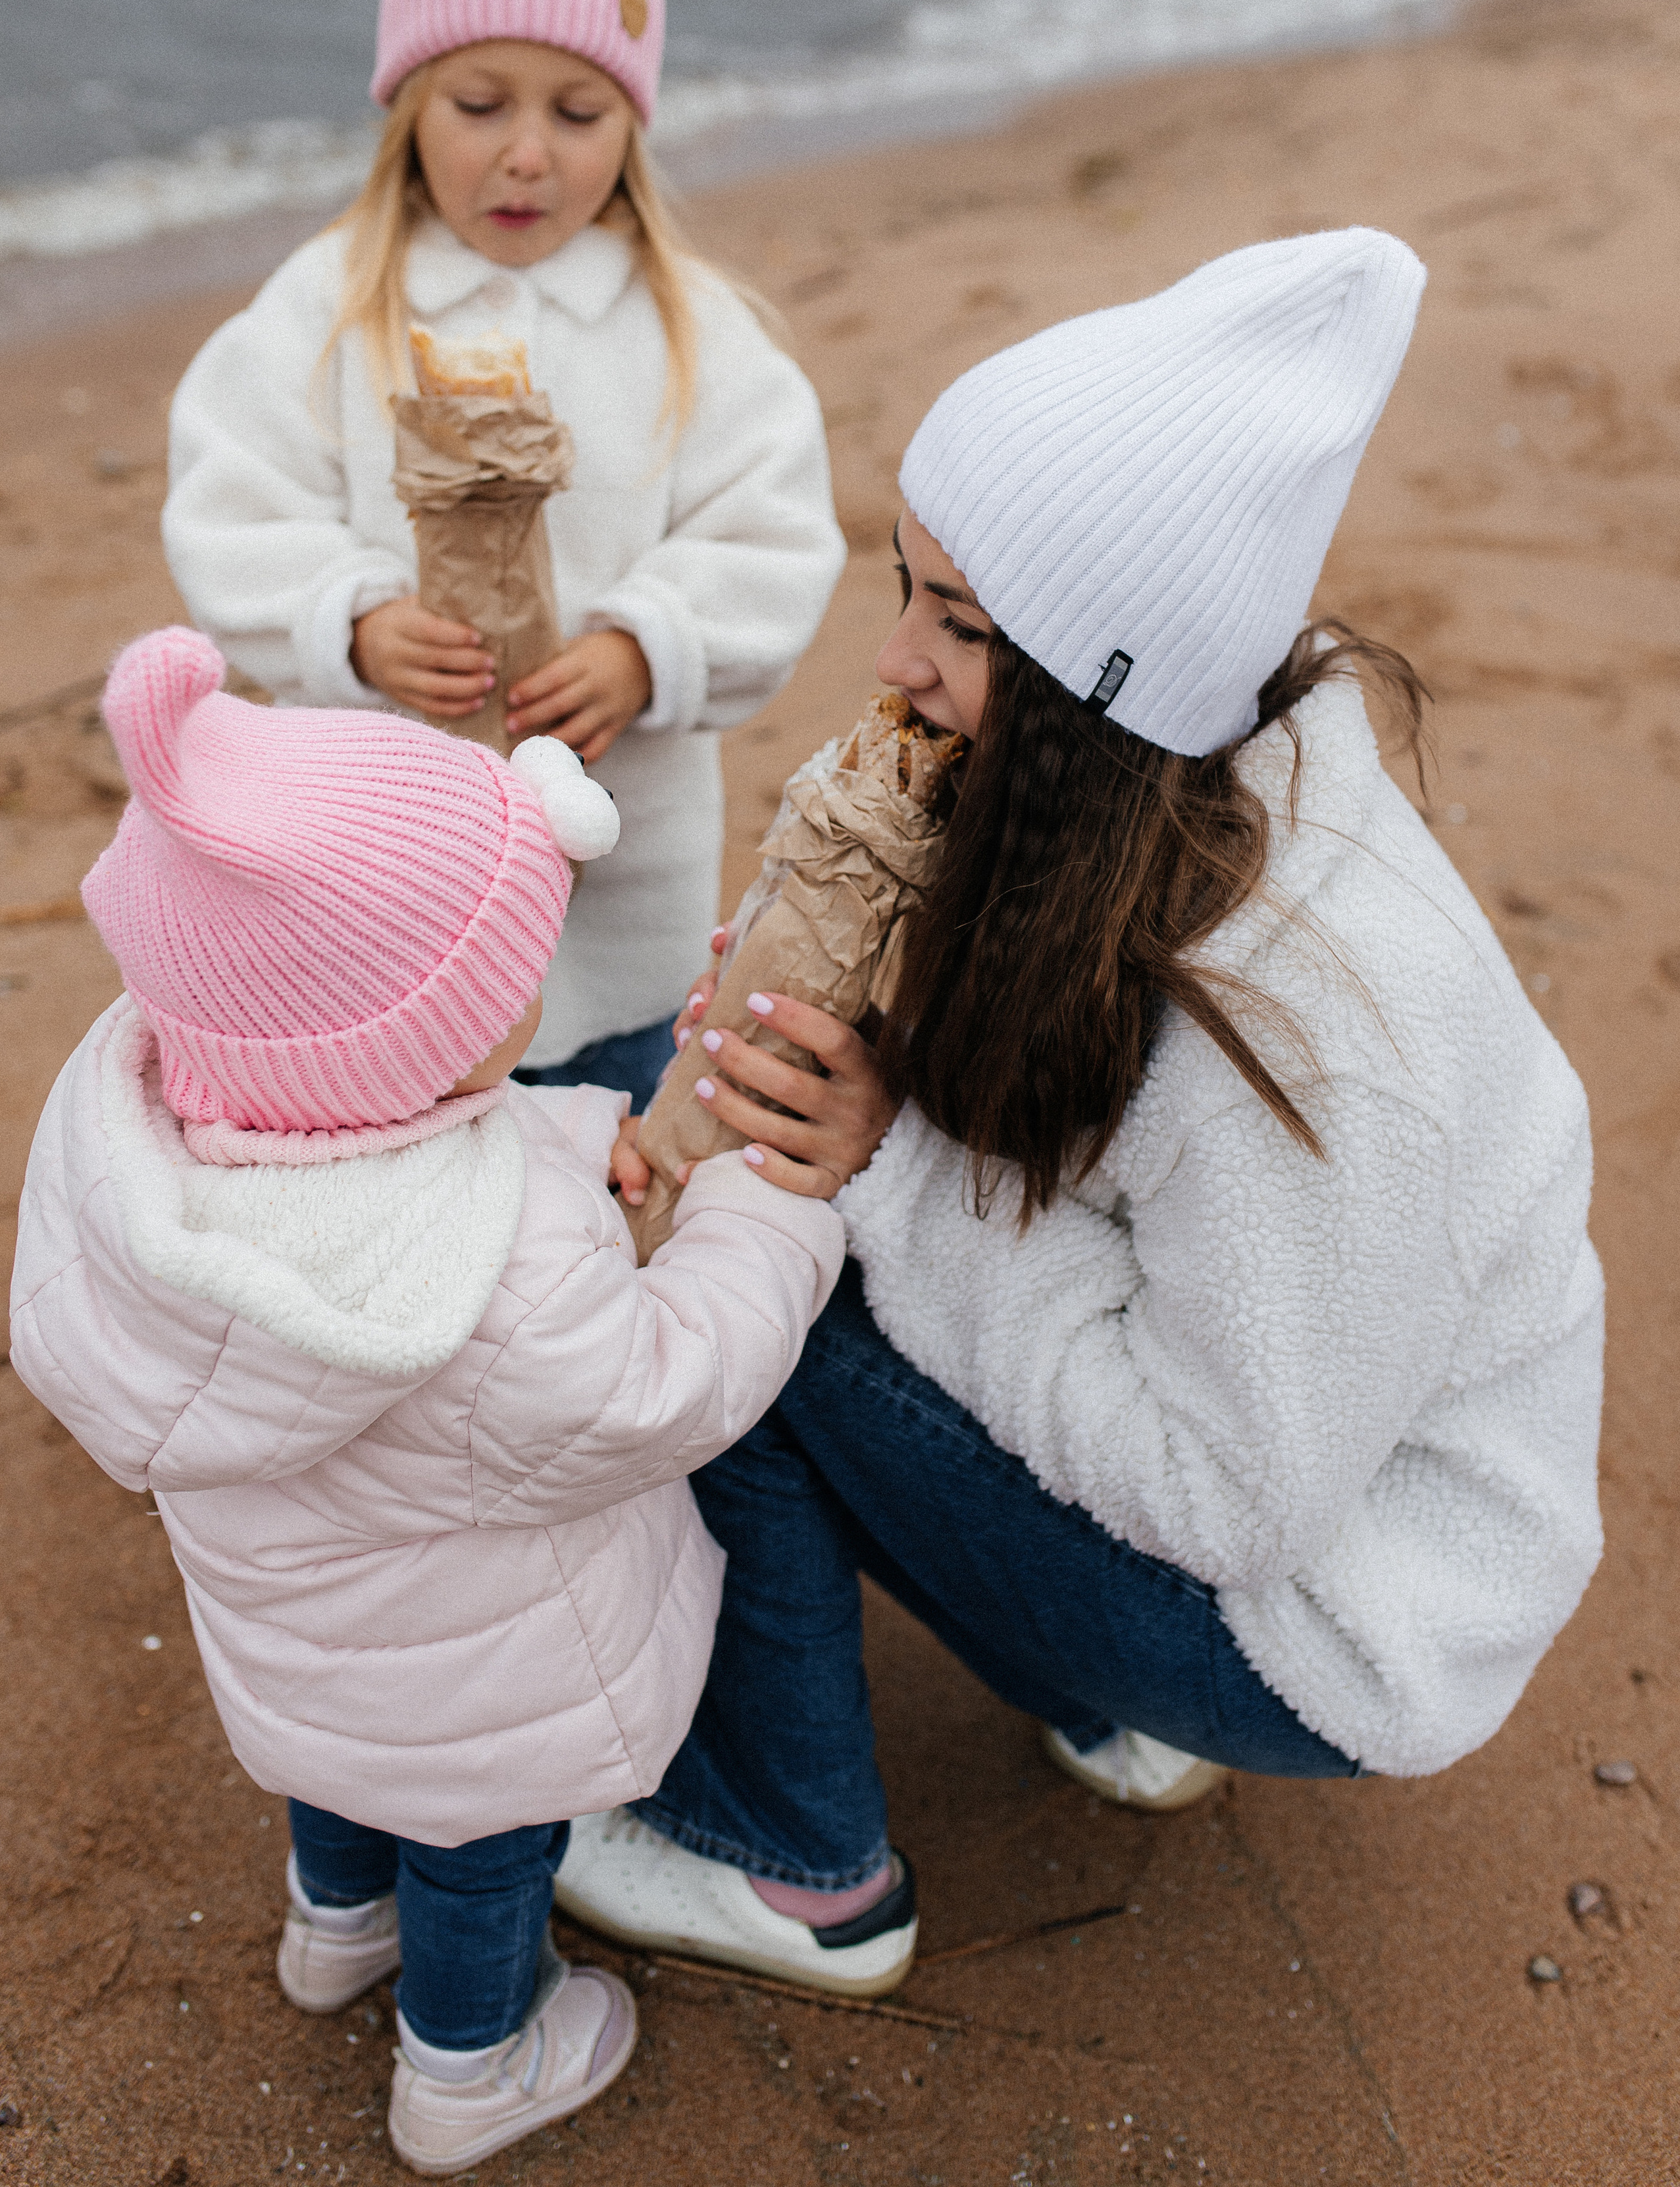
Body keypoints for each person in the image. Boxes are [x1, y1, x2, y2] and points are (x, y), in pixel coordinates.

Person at [556, 228, 1605, 1999]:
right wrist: (850, 1015)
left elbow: (1227, 1497)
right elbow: (1094, 1147)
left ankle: (795, 1863)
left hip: (1333, 1618)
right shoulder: (1154, 776)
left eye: (961, 626)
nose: (893, 659)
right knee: (719, 1140)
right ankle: (1104, 1702)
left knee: (748, 1282)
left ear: (1091, 688)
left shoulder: (1322, 1043)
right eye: (909, 587)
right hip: (1278, 1464)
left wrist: (875, 1165)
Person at [8, 628, 843, 2174]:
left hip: (298, 1656)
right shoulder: (498, 1277)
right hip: (481, 1699)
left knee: (339, 1778)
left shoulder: (148, 1141)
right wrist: (765, 1215)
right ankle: (470, 2065)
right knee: (478, 1855)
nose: (531, 994)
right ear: (425, 1049)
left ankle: (334, 1929)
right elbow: (667, 1384)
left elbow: (434, 1136)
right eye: (509, 984)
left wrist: (571, 1136)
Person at [162, 0, 844, 1112]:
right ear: (409, 102)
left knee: (601, 1141)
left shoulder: (687, 328)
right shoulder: (330, 304)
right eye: (481, 105)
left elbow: (771, 530)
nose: (528, 153)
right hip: (376, 882)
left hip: (616, 888)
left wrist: (647, 647)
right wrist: (349, 622)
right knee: (389, 1137)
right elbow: (233, 501)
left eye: (577, 113)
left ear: (630, 122)